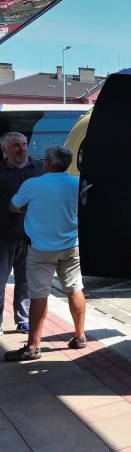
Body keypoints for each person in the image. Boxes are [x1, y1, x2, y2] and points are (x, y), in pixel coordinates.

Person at [3, 146, 86, 361]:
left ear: (47, 162)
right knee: (74, 289)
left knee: (38, 295)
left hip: (41, 248)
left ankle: (33, 346)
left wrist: (28, 209)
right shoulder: (77, 183)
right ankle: (80, 336)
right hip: (71, 246)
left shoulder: (33, 184)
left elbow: (14, 206)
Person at [0, 132, 43, 335]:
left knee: (26, 280)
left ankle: (23, 318)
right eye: (16, 145)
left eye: (24, 144)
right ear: (4, 149)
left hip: (32, 234)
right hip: (3, 235)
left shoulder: (40, 169)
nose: (21, 149)